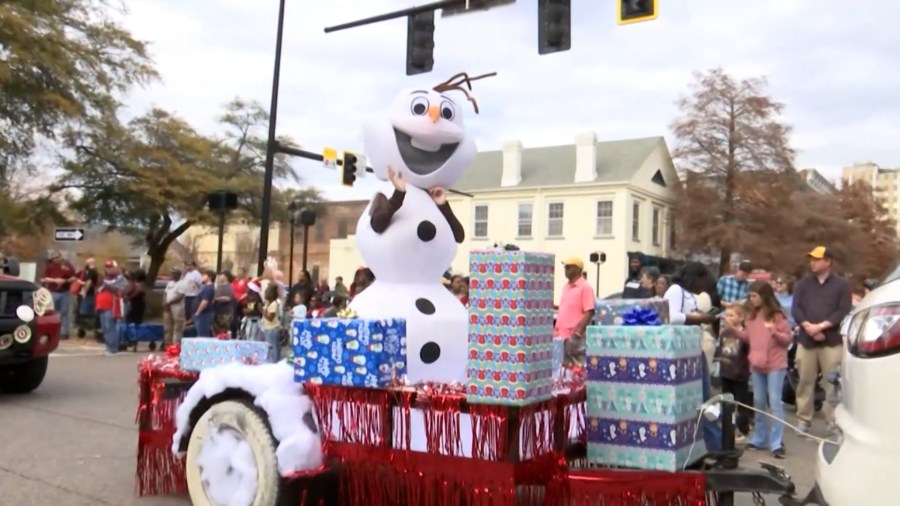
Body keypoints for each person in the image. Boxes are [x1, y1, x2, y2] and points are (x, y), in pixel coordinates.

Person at [791, 246, 852, 436]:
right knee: (804, 381)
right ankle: (803, 419)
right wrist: (808, 326)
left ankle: (832, 420)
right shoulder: (802, 284)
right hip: (806, 339)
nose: (813, 262)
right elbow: (796, 308)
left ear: (828, 261)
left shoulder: (842, 284)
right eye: (811, 259)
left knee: (831, 383)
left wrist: (822, 326)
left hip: (831, 340)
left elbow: (843, 310)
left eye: (817, 259)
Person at [663, 262, 721, 451]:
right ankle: (714, 444)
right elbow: (669, 316)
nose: (702, 289)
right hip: (680, 353)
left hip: (694, 349)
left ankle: (713, 443)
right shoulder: (675, 290)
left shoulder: (690, 295)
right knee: (701, 399)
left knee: (705, 397)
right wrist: (698, 318)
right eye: (702, 283)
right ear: (695, 278)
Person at [733, 280, 793, 458]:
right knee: (758, 402)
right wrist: (735, 329)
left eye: (754, 296)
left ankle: (776, 442)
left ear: (764, 296)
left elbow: (787, 339)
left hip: (775, 364)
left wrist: (775, 331)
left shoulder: (777, 315)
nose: (751, 300)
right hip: (757, 363)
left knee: (774, 403)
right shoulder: (751, 316)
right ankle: (760, 438)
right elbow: (749, 337)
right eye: (750, 296)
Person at [715, 304, 752, 443]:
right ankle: (728, 429)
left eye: (731, 315)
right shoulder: (724, 333)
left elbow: (748, 352)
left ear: (741, 317)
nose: (727, 318)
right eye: (726, 315)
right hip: (726, 372)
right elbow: (720, 350)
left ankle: (742, 428)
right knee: (726, 402)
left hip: (740, 373)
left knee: (741, 403)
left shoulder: (744, 334)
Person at [553, 256, 595, 366]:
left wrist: (577, 333)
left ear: (578, 269)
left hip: (575, 336)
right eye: (565, 267)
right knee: (565, 368)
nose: (566, 270)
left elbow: (589, 311)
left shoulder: (585, 287)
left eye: (569, 267)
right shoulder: (566, 287)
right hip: (561, 335)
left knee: (578, 367)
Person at [41, 250, 76, 340]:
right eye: (54, 258)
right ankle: (52, 332)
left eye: (57, 257)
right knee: (52, 312)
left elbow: (73, 277)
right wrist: (55, 280)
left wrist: (65, 281)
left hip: (65, 292)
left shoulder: (67, 265)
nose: (56, 260)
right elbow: (44, 279)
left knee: (65, 312)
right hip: (53, 292)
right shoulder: (49, 266)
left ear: (61, 257)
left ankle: (64, 332)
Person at [163, 267, 186, 345]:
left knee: (177, 327)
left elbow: (180, 296)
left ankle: (176, 345)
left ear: (178, 274)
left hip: (177, 308)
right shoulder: (170, 283)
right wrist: (165, 302)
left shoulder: (182, 283)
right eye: (171, 273)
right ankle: (167, 345)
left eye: (174, 273)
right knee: (167, 328)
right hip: (168, 307)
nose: (172, 275)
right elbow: (165, 293)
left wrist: (169, 303)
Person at [189, 270, 216, 337]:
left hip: (204, 315)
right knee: (200, 333)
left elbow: (205, 301)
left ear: (210, 277)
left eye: (204, 275)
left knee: (203, 334)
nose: (202, 277)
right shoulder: (205, 287)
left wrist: (198, 312)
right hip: (202, 314)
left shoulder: (208, 288)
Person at [260, 283, 282, 362]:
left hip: (272, 329)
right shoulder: (267, 304)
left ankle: (274, 362)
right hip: (266, 328)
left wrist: (262, 311)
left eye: (267, 293)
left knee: (273, 347)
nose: (265, 295)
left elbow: (270, 318)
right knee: (268, 347)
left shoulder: (274, 304)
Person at [213, 272, 235, 337]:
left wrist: (216, 299)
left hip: (225, 312)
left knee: (224, 331)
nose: (219, 277)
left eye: (221, 275)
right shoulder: (219, 286)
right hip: (217, 311)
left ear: (226, 277)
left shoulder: (228, 287)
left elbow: (228, 298)